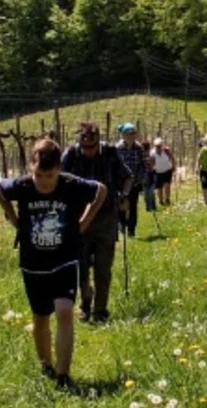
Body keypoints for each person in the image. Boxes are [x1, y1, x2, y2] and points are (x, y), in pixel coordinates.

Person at [0, 138, 108, 390]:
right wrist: (13, 217)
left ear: (59, 168)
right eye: (39, 175)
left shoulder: (70, 184)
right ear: (30, 168)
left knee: (65, 311)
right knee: (40, 318)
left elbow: (100, 190)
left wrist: (85, 221)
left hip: (65, 259)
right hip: (33, 263)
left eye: (50, 175)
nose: (45, 181)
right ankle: (46, 364)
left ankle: (62, 374)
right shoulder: (22, 185)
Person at [60, 122, 129, 323]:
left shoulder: (110, 153)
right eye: (85, 147)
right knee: (80, 267)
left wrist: (124, 196)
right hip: (79, 219)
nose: (88, 151)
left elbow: (127, 177)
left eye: (92, 147)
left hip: (106, 218)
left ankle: (100, 311)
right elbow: (58, 180)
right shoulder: (71, 155)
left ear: (98, 141)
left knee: (103, 268)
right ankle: (85, 303)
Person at [115, 123, 152, 232]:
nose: (132, 136)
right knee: (121, 204)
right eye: (129, 134)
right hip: (121, 183)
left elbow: (145, 163)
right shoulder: (118, 148)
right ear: (123, 135)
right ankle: (122, 225)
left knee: (133, 206)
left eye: (133, 133)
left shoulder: (139, 148)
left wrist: (144, 176)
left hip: (135, 182)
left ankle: (131, 229)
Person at [152, 138, 176, 208]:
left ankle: (167, 199)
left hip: (167, 170)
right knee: (159, 187)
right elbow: (150, 163)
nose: (158, 147)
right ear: (154, 146)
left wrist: (174, 166)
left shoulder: (166, 151)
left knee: (167, 185)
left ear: (162, 145)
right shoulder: (152, 153)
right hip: (157, 172)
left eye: (160, 146)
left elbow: (172, 158)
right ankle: (161, 201)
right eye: (157, 146)